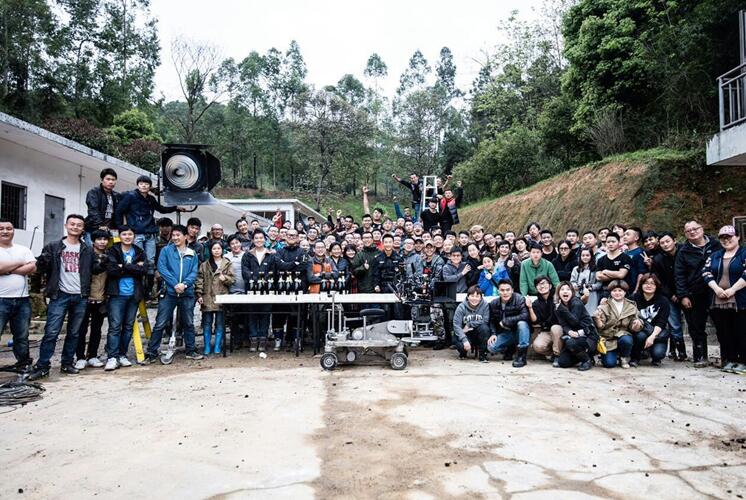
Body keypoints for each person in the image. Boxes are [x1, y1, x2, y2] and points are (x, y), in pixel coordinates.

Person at [28, 214, 93, 380]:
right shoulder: (53, 246)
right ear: (66, 226)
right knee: (51, 332)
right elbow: (41, 268)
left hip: (80, 295)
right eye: (72, 224)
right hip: (59, 295)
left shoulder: (87, 249)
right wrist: (41, 262)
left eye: (79, 225)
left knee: (74, 333)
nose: (75, 227)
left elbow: (93, 269)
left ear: (83, 229)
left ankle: (67, 363)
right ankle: (42, 366)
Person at [114, 175, 183, 298]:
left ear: (150, 186)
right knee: (137, 261)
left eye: (146, 184)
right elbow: (119, 211)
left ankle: (149, 290)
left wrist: (175, 208)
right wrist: (121, 228)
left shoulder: (151, 199)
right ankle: (138, 287)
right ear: (137, 185)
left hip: (150, 233)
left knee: (150, 262)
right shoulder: (130, 196)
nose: (144, 186)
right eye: (141, 183)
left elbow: (161, 209)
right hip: (137, 233)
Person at [144, 225, 203, 363]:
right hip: (169, 292)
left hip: (187, 293)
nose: (175, 238)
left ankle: (190, 350)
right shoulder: (166, 250)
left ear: (185, 237)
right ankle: (152, 352)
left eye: (178, 235)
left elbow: (194, 272)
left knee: (188, 323)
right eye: (173, 235)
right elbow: (162, 268)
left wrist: (185, 284)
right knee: (161, 322)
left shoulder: (192, 253)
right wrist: (175, 284)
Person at [675, 220, 722, 367]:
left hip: (717, 291)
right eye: (688, 231)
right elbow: (679, 275)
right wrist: (683, 295)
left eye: (695, 228)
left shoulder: (716, 245)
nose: (692, 232)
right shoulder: (683, 251)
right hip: (694, 292)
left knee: (723, 325)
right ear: (685, 234)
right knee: (696, 327)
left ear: (702, 229)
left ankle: (728, 356)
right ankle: (700, 357)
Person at [703, 225, 746, 374]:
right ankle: (729, 359)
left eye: (729, 237)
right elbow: (706, 272)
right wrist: (716, 288)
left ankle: (743, 361)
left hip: (740, 299)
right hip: (718, 299)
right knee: (724, 332)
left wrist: (733, 289)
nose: (726, 240)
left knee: (741, 331)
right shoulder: (715, 255)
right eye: (722, 238)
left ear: (738, 237)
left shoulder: (744, 253)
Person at [103, 225, 147, 371]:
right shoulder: (113, 250)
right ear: (119, 235)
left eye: (130, 234)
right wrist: (133, 267)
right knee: (115, 326)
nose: (127, 237)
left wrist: (124, 266)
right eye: (124, 234)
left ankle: (122, 355)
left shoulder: (139, 251)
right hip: (117, 294)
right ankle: (112, 357)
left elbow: (143, 270)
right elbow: (112, 270)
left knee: (128, 326)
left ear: (134, 236)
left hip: (133, 294)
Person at [0, 219, 36, 369]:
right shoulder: (21, 255)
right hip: (1, 300)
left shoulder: (23, 249)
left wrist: (7, 269)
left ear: (13, 231)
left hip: (22, 300)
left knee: (22, 336)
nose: (5, 231)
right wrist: (20, 263)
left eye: (9, 228)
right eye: (1, 228)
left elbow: (32, 268)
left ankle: (23, 364)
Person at [74, 230, 110, 370]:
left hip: (101, 297)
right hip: (85, 298)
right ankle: (80, 357)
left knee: (97, 329)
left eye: (105, 239)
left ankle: (93, 356)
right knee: (81, 329)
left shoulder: (109, 255)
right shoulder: (86, 254)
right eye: (99, 239)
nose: (102, 242)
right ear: (93, 241)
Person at [651, 232, 686, 360]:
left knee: (693, 323)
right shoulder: (658, 259)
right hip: (668, 295)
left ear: (674, 241)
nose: (665, 244)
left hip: (686, 293)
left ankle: (698, 353)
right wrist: (671, 294)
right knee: (674, 323)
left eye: (668, 241)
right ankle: (681, 352)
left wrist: (681, 293)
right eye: (662, 243)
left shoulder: (684, 253)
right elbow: (659, 281)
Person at [242, 231, 278, 352]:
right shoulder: (247, 255)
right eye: (256, 238)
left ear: (265, 239)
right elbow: (245, 270)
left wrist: (263, 280)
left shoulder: (270, 255)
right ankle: (253, 339)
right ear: (252, 240)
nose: (259, 240)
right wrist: (254, 280)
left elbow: (273, 271)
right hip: (251, 289)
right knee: (252, 314)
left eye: (261, 238)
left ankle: (263, 339)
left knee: (265, 314)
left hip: (267, 289)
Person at [196, 241, 235, 356]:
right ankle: (207, 346)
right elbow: (199, 280)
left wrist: (225, 278)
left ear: (222, 250)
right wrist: (199, 294)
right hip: (207, 296)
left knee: (220, 323)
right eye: (214, 249)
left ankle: (218, 346)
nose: (216, 251)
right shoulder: (204, 265)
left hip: (221, 297)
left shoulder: (227, 263)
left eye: (219, 248)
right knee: (207, 323)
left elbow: (233, 279)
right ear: (210, 250)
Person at [593, 280, 642, 369]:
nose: (617, 293)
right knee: (609, 364)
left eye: (620, 290)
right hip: (608, 339)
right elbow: (601, 327)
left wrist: (636, 325)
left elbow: (634, 323)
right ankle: (610, 355)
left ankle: (624, 357)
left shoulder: (631, 306)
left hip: (623, 336)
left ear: (625, 292)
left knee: (626, 340)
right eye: (614, 290)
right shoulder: (604, 306)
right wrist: (597, 319)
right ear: (610, 292)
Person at [486, 279, 531, 367]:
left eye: (508, 290)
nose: (505, 293)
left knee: (522, 323)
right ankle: (510, 348)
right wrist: (493, 334)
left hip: (520, 332)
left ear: (512, 290)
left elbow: (525, 315)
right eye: (502, 290)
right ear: (498, 291)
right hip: (506, 333)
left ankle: (521, 357)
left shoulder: (519, 299)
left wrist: (507, 320)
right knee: (491, 347)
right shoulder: (494, 303)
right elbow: (492, 320)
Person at [555, 281, 598, 371]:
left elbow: (574, 321)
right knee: (563, 362)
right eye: (562, 289)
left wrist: (562, 309)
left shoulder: (576, 302)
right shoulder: (558, 307)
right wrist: (569, 331)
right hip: (574, 337)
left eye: (568, 289)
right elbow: (563, 324)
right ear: (558, 293)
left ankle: (587, 360)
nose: (565, 291)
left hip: (588, 335)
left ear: (572, 292)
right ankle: (583, 355)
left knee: (570, 342)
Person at [631, 273, 670, 367]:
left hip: (656, 332)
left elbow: (661, 322)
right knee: (640, 336)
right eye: (646, 283)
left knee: (658, 354)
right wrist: (605, 300)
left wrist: (652, 337)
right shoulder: (634, 298)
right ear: (641, 285)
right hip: (641, 330)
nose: (649, 286)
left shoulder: (663, 301)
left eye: (652, 283)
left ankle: (654, 355)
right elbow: (621, 302)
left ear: (656, 286)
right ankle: (635, 358)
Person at [529, 276, 563, 366]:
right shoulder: (536, 303)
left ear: (550, 286)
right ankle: (553, 354)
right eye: (538, 284)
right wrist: (530, 308)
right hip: (547, 330)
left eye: (544, 283)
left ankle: (557, 355)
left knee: (555, 328)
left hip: (560, 329)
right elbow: (535, 321)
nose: (542, 286)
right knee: (538, 346)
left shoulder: (558, 297)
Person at [452, 285, 491, 362]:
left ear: (481, 297)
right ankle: (463, 353)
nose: (474, 298)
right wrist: (464, 340)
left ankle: (483, 355)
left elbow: (485, 320)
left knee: (485, 328)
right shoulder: (461, 307)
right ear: (468, 297)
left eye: (477, 296)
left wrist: (469, 324)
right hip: (464, 333)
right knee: (461, 345)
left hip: (477, 332)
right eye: (472, 296)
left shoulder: (485, 305)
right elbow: (456, 325)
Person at [84, 168, 120, 244]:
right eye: (108, 179)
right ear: (102, 180)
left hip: (112, 230)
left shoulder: (116, 195)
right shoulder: (94, 192)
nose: (111, 182)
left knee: (116, 248)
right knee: (92, 250)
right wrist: (100, 225)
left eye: (113, 180)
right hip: (93, 229)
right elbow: (93, 210)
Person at [570, 247, 601, 315]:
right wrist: (575, 286)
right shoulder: (576, 269)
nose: (585, 257)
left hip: (591, 295)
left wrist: (591, 287)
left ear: (591, 256)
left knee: (591, 314)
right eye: (583, 255)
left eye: (587, 255)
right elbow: (572, 281)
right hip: (578, 294)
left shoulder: (595, 269)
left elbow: (599, 283)